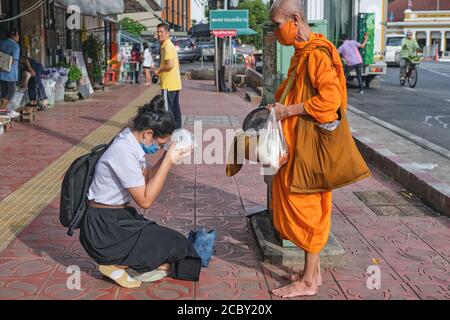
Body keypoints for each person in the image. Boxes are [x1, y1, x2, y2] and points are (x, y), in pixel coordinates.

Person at [267, 0, 347, 298]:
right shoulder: (301, 55)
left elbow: (330, 102)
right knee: (298, 206)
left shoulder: (316, 56)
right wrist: (280, 106)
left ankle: (309, 282)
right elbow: (294, 94)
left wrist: (288, 112)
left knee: (308, 211)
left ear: (295, 19)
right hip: (297, 148)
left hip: (309, 152)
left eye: (277, 25)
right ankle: (312, 272)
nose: (276, 32)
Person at [81, 95, 201, 288]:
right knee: (176, 247)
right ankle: (114, 263)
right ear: (148, 133)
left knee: (176, 245)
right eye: (161, 144)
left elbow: (146, 177)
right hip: (105, 230)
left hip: (117, 218)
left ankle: (123, 263)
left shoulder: (130, 142)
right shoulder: (123, 151)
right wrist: (168, 161)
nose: (160, 147)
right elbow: (145, 201)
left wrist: (167, 157)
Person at [154, 23, 183, 129]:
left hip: (168, 84)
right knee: (175, 108)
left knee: (168, 110)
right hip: (175, 83)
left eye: (161, 32)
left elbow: (170, 65)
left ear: (167, 33)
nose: (159, 34)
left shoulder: (167, 46)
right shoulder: (168, 45)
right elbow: (177, 63)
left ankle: (169, 131)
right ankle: (177, 129)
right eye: (158, 32)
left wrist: (159, 69)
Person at [0, 29, 20, 111]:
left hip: (1, 73)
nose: (18, 37)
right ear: (14, 35)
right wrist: (6, 65)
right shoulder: (15, 46)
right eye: (17, 35)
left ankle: (2, 110)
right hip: (10, 75)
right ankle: (1, 109)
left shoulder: (1, 42)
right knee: (11, 92)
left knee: (4, 92)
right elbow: (14, 60)